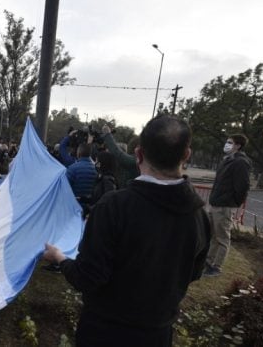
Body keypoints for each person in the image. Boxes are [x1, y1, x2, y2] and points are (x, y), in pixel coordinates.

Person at [43, 115, 210, 346]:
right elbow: (192, 274)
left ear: (139, 154)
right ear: (186, 155)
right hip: (157, 335)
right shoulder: (200, 216)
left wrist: (59, 257)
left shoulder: (113, 207)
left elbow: (87, 277)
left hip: (104, 333)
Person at [203, 134, 251, 277]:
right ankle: (208, 262)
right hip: (216, 203)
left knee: (222, 237)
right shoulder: (228, 160)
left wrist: (234, 204)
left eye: (230, 142)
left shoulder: (240, 162)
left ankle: (216, 267)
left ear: (238, 145)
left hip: (225, 205)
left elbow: (242, 186)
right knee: (213, 236)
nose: (226, 144)